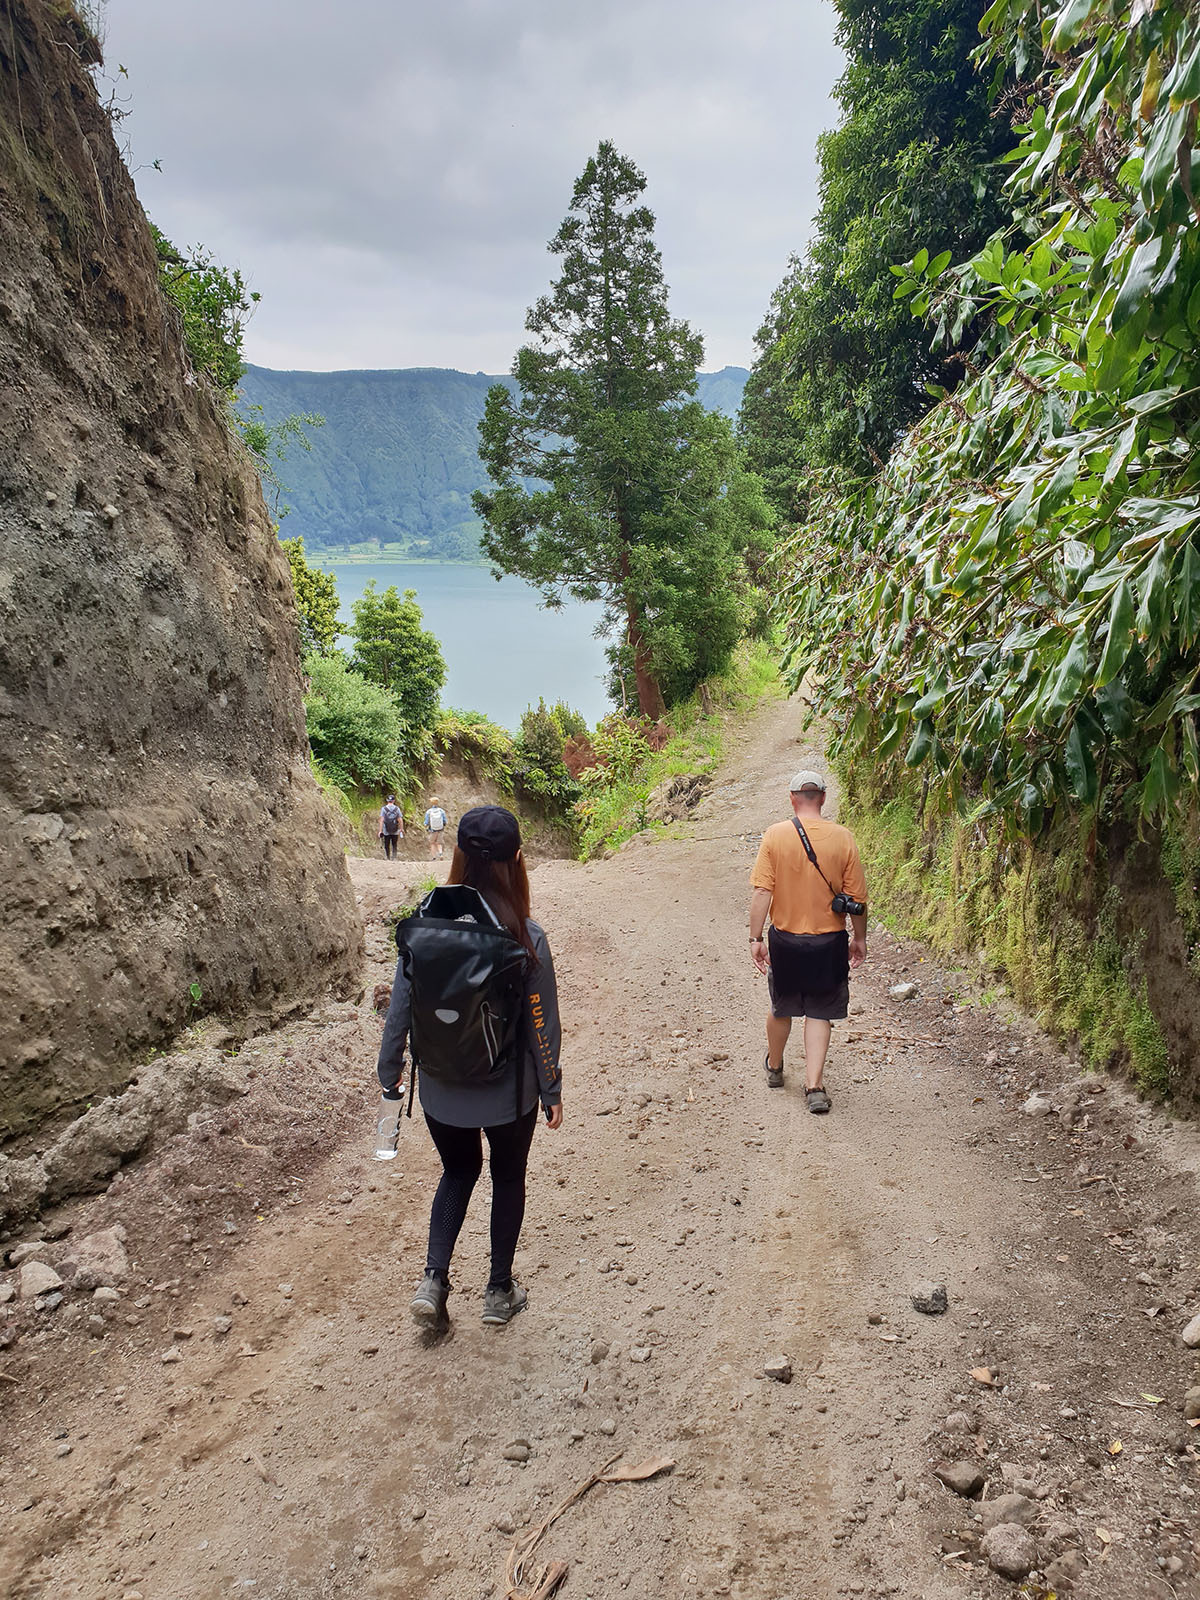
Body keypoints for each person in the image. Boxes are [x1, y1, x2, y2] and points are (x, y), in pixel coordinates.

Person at [376, 805, 563, 1327]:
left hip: (439, 1089)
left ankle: (434, 1282)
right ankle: (498, 1293)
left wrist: (389, 1068)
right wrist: (551, 1088)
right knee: (507, 1176)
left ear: (457, 855)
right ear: (517, 860)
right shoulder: (525, 936)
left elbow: (401, 1005)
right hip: (508, 1094)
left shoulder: (425, 928)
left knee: (458, 1169)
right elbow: (541, 1023)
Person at [748, 770, 868, 1113]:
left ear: (792, 798)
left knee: (781, 1006)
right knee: (818, 1012)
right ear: (823, 798)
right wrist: (859, 938)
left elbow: (762, 891)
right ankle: (814, 1087)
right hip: (828, 942)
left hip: (785, 941)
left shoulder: (775, 836)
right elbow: (856, 899)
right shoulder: (843, 838)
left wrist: (756, 939)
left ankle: (774, 1066)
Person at [378, 795, 404, 860]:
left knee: (386, 844)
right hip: (395, 829)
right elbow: (400, 819)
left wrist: (380, 830)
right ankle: (394, 857)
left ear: (387, 800)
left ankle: (388, 857)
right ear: (394, 801)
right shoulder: (397, 809)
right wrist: (401, 829)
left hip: (386, 829)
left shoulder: (384, 809)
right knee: (394, 844)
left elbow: (381, 820)